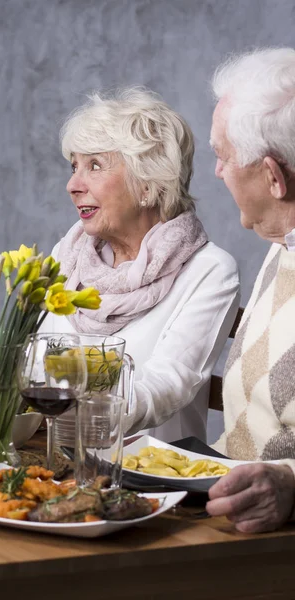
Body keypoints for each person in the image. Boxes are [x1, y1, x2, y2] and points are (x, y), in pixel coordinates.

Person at [41, 87, 240, 442]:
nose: (73, 184)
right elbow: (36, 363)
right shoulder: (65, 255)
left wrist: (74, 416)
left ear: (148, 183)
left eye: (95, 166)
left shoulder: (209, 271)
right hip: (51, 458)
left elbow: (168, 385)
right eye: (74, 166)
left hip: (148, 479)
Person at [205, 48, 295, 533]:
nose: (217, 172)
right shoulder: (282, 238)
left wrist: (290, 485)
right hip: (227, 518)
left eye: (223, 156)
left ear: (273, 177)